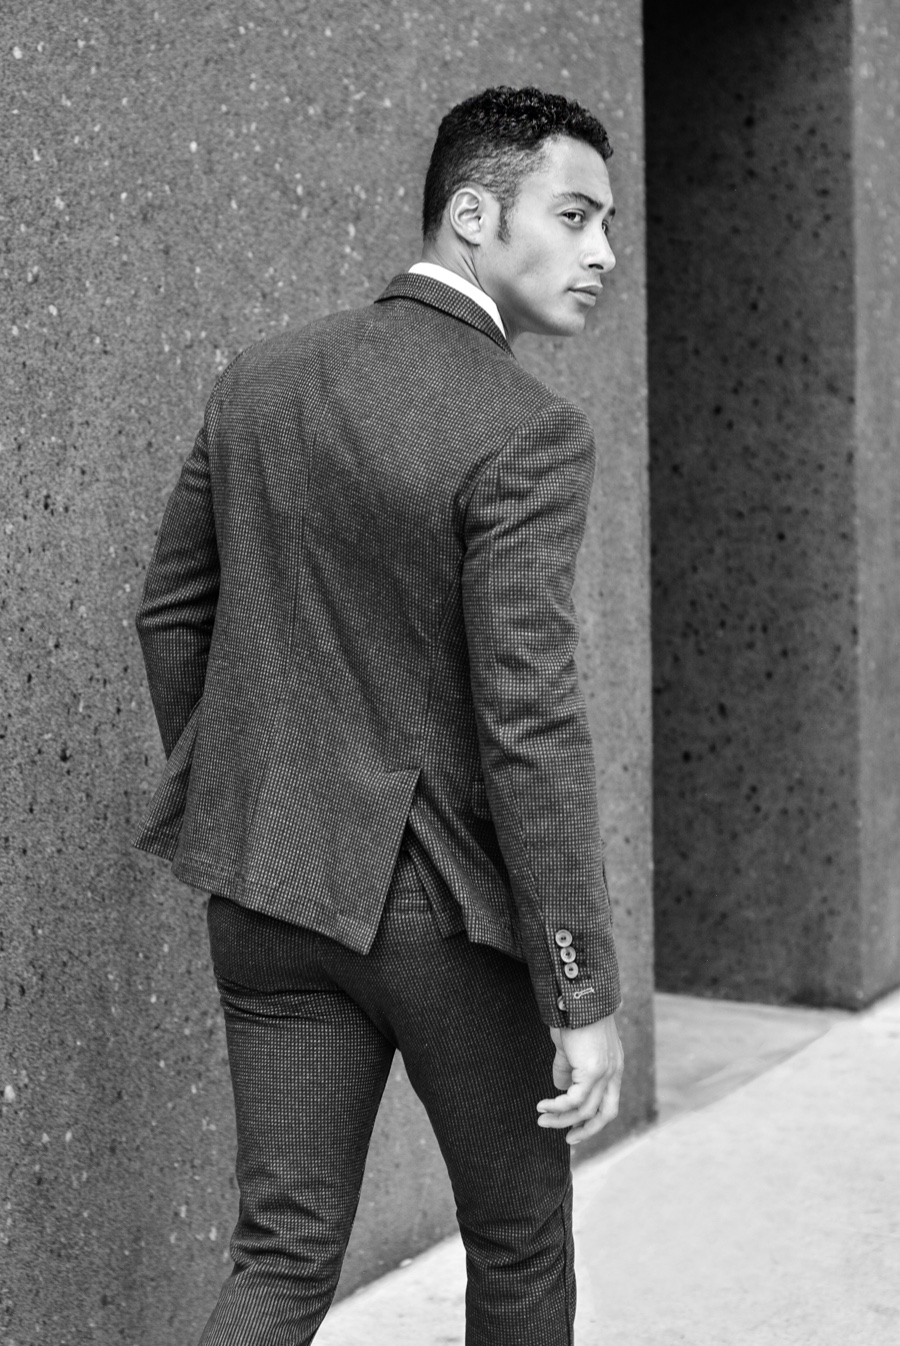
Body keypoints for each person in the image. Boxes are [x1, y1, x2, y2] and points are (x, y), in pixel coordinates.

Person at [134, 84, 624, 1346]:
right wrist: (582, 988)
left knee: (282, 1256)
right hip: (436, 917)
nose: (603, 254)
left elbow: (171, 613)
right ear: (473, 215)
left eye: (608, 225)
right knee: (519, 1243)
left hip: (266, 894)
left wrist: (257, 795)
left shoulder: (260, 378)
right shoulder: (528, 430)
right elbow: (530, 725)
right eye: (574, 215)